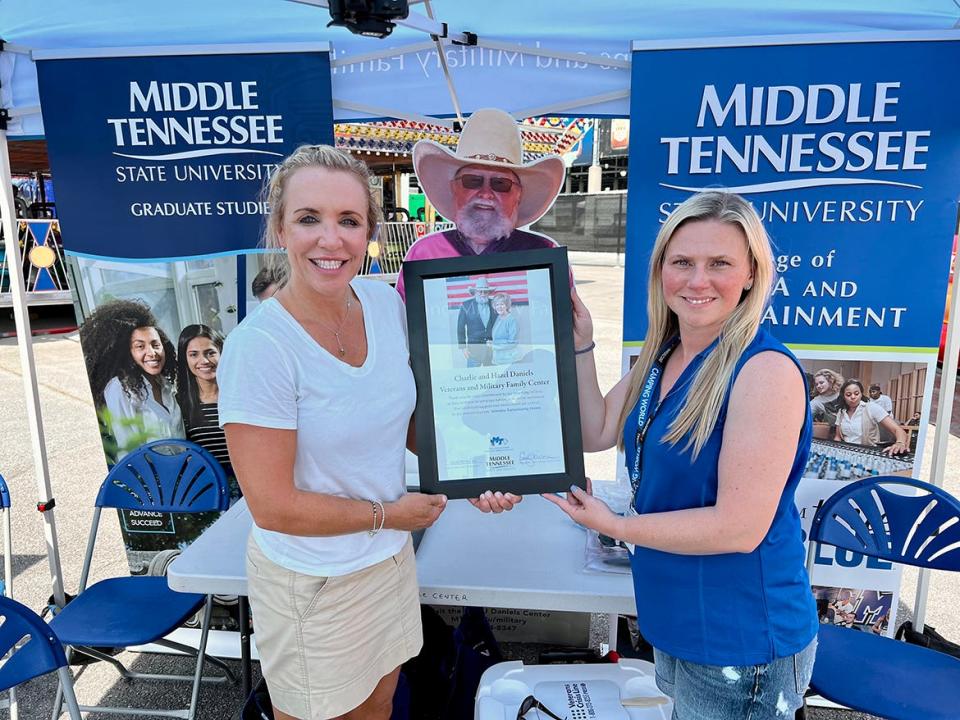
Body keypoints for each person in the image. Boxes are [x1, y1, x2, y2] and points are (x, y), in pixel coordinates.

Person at [218, 145, 515, 720]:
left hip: (389, 561)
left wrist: (475, 469)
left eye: (349, 221)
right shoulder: (260, 349)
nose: (331, 240)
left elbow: (403, 419)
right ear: (280, 228)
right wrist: (390, 515)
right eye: (310, 219)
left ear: (370, 233)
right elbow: (274, 506)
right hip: (314, 581)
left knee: (381, 704)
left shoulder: (381, 302)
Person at [545, 191, 818, 718]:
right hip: (676, 621)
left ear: (750, 274)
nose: (698, 281)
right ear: (660, 271)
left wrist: (618, 526)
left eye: (719, 263)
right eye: (682, 262)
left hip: (739, 640)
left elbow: (739, 528)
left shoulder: (763, 371)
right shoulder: (664, 353)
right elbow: (597, 430)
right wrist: (581, 343)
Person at [395, 107, 565, 299]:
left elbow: (560, 326)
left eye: (500, 183)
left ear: (518, 195)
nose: (485, 194)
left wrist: (580, 330)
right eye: (472, 181)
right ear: (454, 189)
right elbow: (400, 325)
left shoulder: (544, 254)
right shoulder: (424, 254)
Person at [80, 299, 183, 463]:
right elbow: (128, 447)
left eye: (155, 345)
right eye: (140, 346)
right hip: (148, 480)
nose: (152, 353)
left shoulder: (167, 385)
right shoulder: (119, 388)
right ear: (127, 353)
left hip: (180, 473)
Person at [175, 324, 232, 479]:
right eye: (194, 355)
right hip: (206, 489)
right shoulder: (178, 404)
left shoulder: (239, 396)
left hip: (246, 486)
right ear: (185, 359)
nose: (204, 361)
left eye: (210, 353)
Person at [834, 379, 908, 454]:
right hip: (845, 451)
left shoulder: (871, 407)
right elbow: (838, 437)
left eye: (856, 393)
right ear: (843, 396)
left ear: (861, 394)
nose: (853, 397)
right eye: (848, 395)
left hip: (867, 452)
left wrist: (900, 443)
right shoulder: (841, 412)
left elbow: (898, 429)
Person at [457, 276, 497, 366]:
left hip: (492, 351)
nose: (483, 294)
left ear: (488, 292)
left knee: (493, 377)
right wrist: (463, 348)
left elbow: (501, 324)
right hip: (473, 350)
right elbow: (460, 328)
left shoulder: (495, 304)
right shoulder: (466, 305)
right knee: (472, 377)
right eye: (480, 291)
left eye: (485, 291)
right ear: (475, 292)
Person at [489, 291, 519, 365]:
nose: (499, 307)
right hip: (498, 359)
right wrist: (492, 342)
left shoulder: (512, 320)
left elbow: (513, 343)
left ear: (507, 305)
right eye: (497, 305)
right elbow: (500, 338)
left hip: (509, 359)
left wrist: (494, 346)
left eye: (502, 304)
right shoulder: (499, 317)